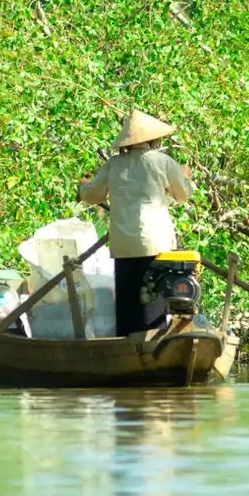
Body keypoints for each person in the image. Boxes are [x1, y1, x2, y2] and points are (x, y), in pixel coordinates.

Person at [77, 110, 194, 338]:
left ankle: (125, 347)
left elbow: (93, 195)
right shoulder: (163, 162)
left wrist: (82, 187)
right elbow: (182, 196)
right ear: (153, 139)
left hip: (124, 244)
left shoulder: (115, 165)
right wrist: (185, 177)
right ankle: (151, 348)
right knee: (152, 301)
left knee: (128, 302)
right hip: (156, 244)